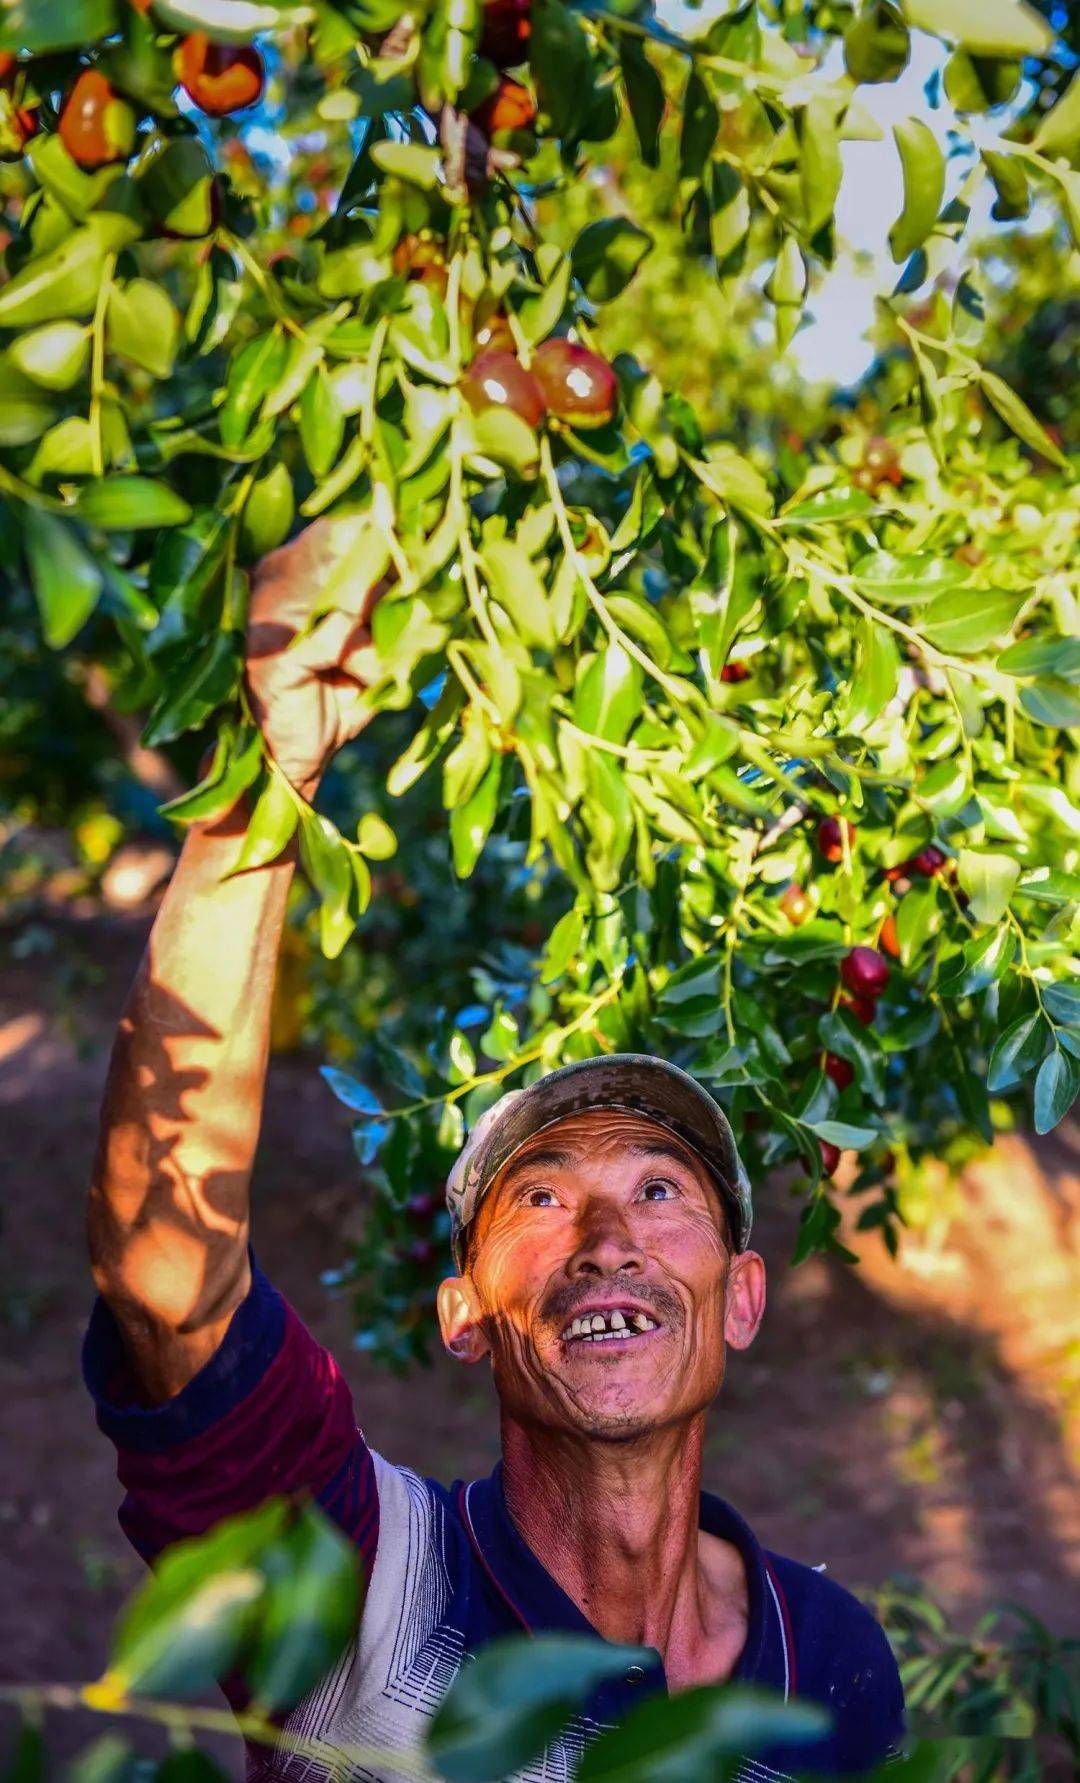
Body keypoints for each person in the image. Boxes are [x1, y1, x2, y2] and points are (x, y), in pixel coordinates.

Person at [84, 522, 905, 1782]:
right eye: (541, 1196)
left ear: (743, 1298)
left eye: (658, 1187)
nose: (608, 1240)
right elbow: (163, 1266)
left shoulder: (835, 1663)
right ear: (462, 1312)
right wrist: (272, 768)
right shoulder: (352, 1582)